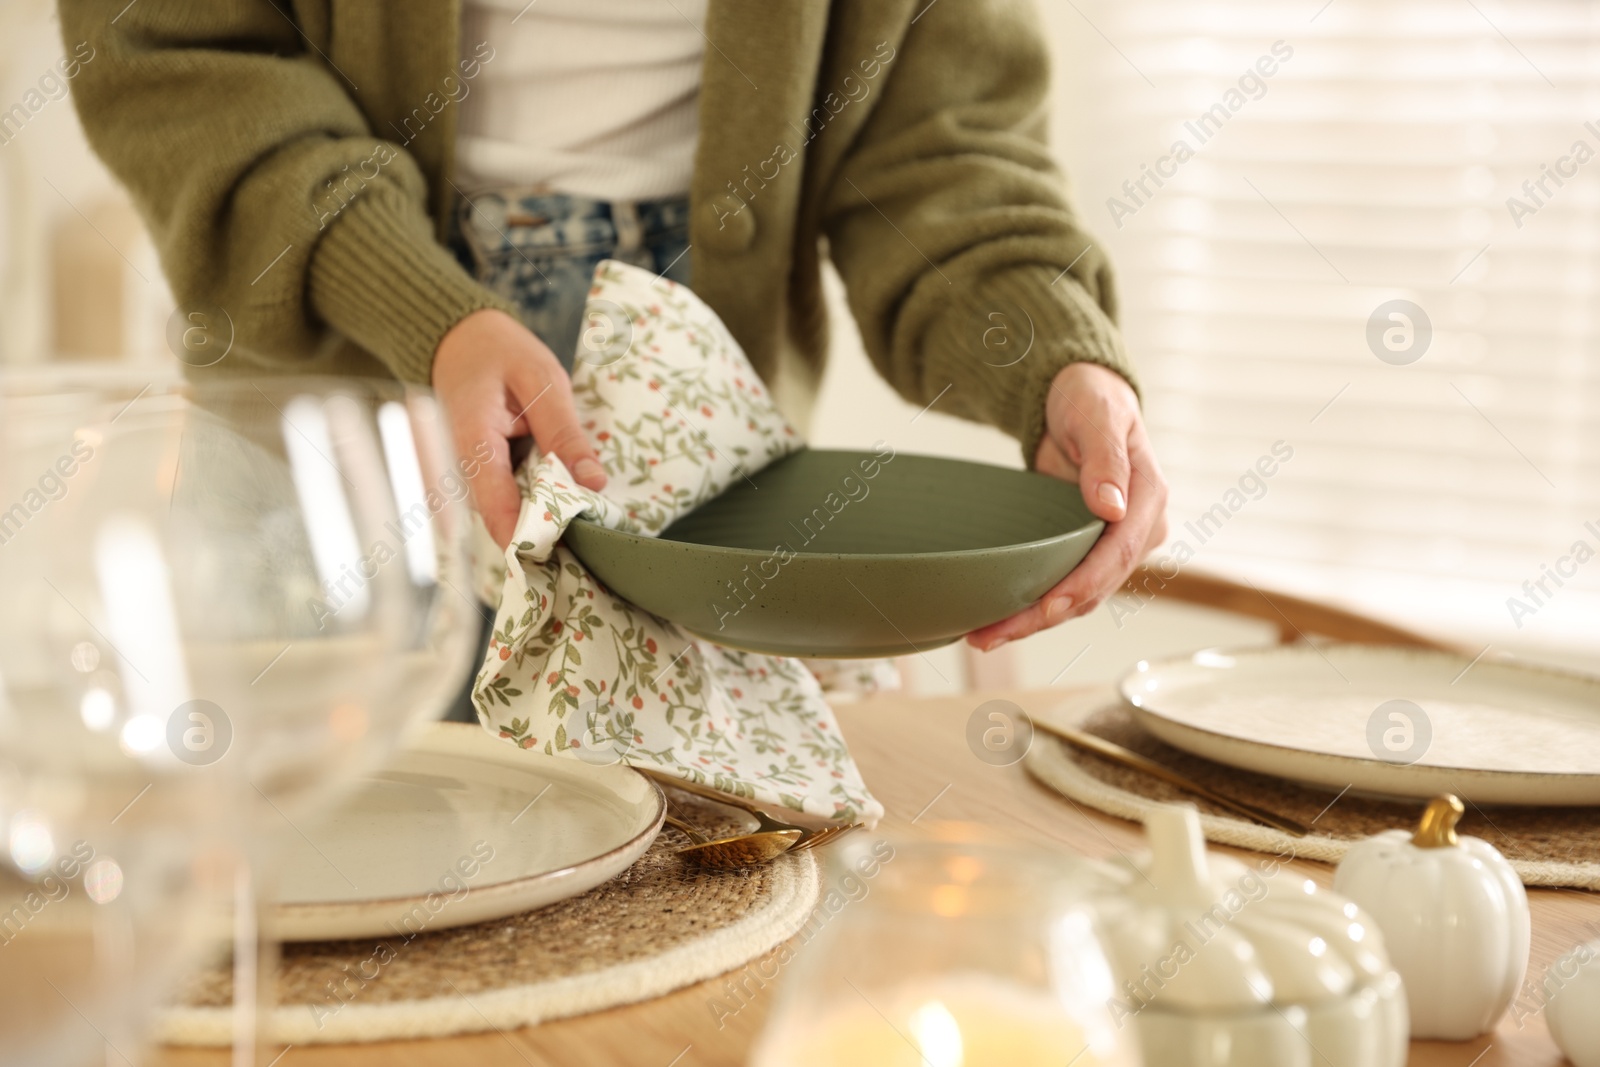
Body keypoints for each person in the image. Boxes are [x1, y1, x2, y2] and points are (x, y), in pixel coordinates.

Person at [61, 0, 1167, 654]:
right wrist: (420, 305)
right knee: (309, 945)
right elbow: (176, 56)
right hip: (321, 443)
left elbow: (942, 149)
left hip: (712, 480)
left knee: (680, 944)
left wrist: (1053, 350)